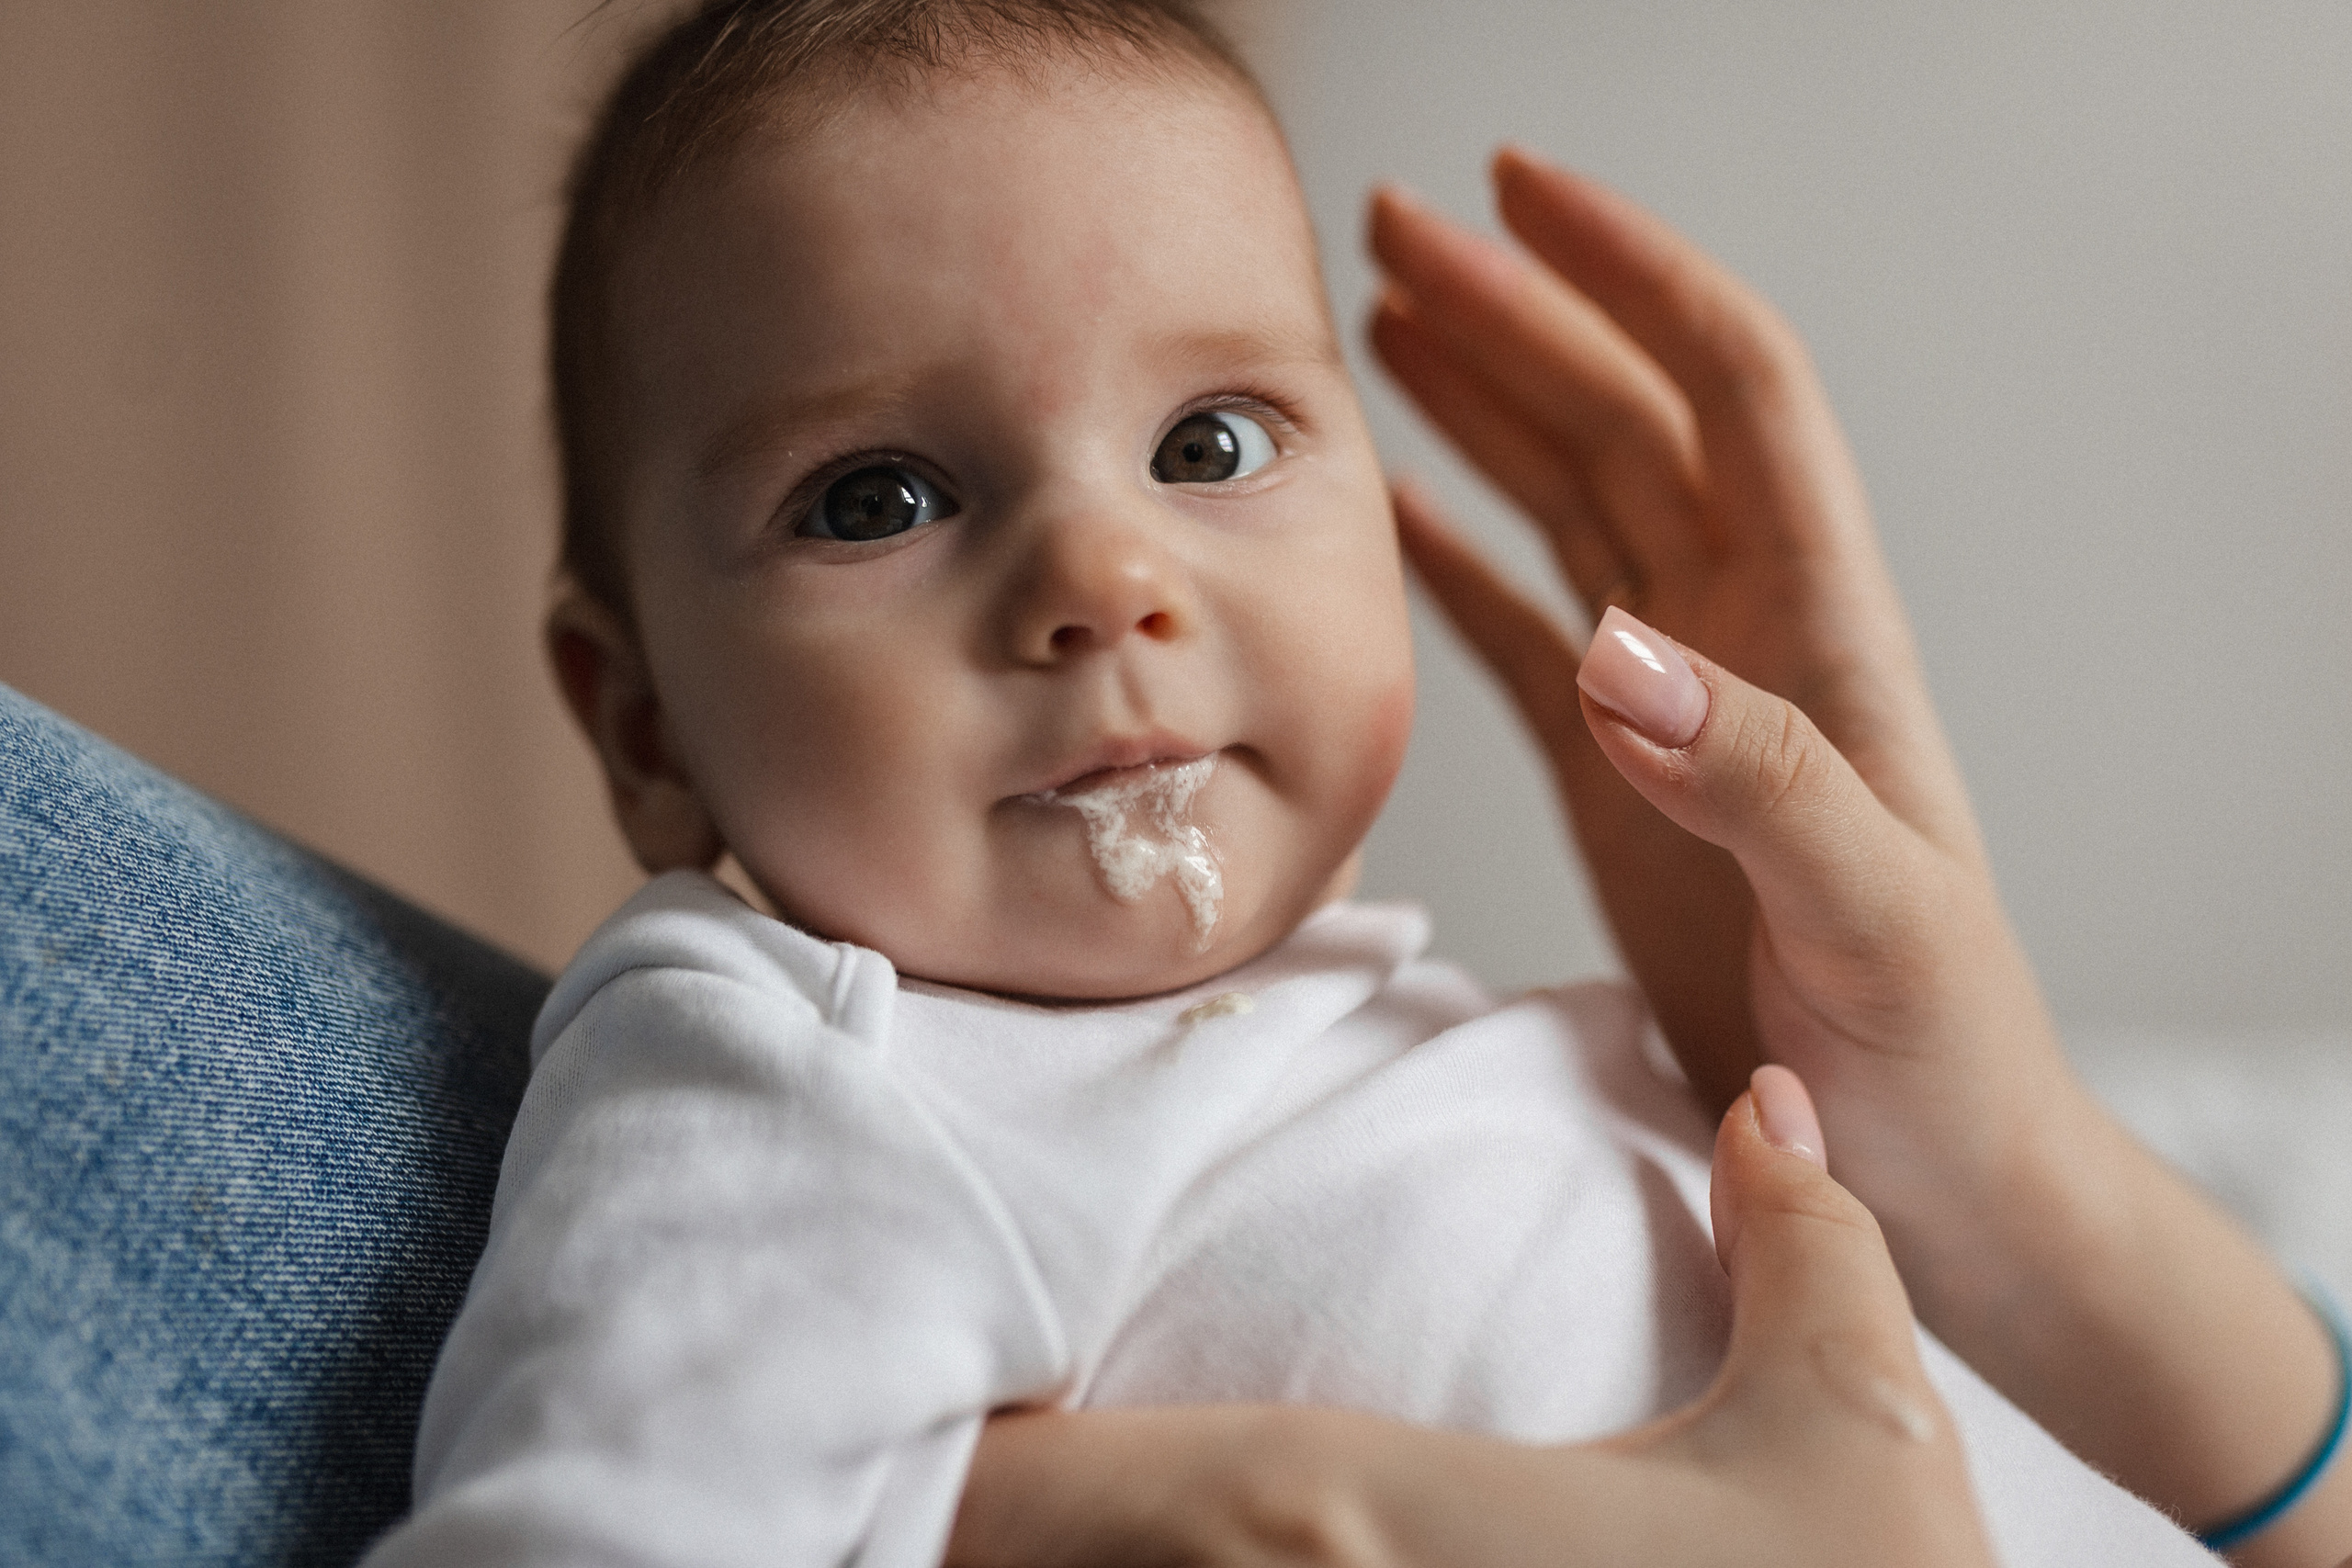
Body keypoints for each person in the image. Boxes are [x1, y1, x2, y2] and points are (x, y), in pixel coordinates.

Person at [358, 2, 2347, 1563]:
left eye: (1211, 443)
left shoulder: (1374, 1026)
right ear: (638, 726)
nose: (1104, 580)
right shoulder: (794, 1056)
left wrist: (1987, 1170)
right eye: (875, 495)